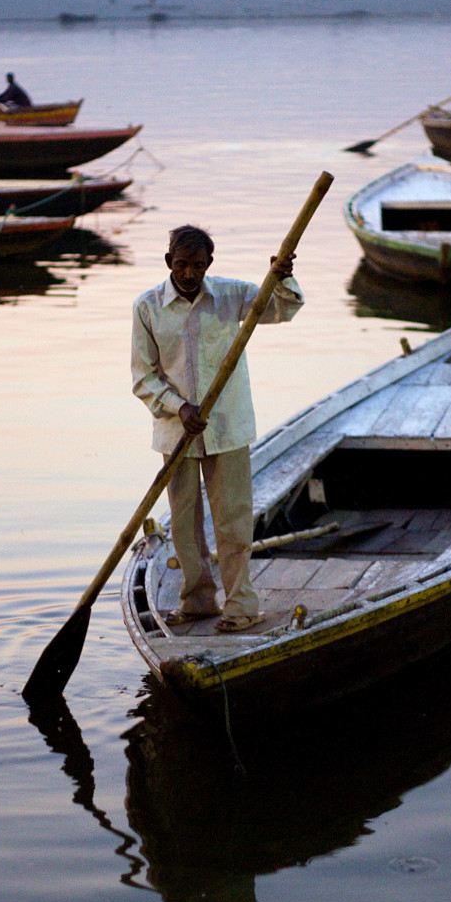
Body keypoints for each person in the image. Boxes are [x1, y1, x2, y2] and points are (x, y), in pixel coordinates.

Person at [131, 224, 303, 633]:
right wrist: (179, 407)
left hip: (227, 428)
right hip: (177, 433)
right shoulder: (148, 307)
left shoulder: (231, 295)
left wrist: (281, 276)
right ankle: (198, 601)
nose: (189, 273)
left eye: (197, 265)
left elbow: (286, 307)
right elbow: (144, 378)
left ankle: (241, 606)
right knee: (185, 525)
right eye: (181, 264)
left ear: (210, 263)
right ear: (168, 262)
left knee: (234, 521)